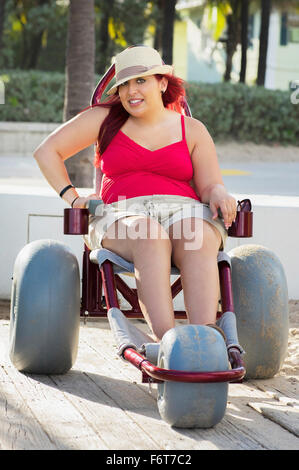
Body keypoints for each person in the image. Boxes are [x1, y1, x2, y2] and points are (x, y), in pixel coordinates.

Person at [34, 45, 237, 341]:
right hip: (121, 214)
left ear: (162, 83)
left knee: (197, 235)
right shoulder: (105, 119)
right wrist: (74, 198)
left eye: (141, 80)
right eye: (124, 84)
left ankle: (204, 343)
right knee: (148, 234)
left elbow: (209, 186)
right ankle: (170, 345)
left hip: (184, 212)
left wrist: (219, 192)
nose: (131, 91)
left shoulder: (192, 130)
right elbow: (46, 152)